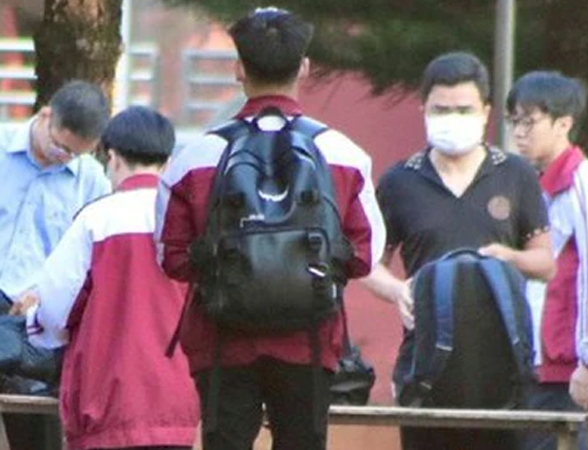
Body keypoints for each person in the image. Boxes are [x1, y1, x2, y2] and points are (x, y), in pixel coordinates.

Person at [154, 7, 385, 450]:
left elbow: (172, 258)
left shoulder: (194, 158)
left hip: (222, 340)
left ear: (239, 68)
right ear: (304, 67)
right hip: (310, 338)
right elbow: (365, 256)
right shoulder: (345, 155)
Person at [361, 52, 555, 450]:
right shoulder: (400, 181)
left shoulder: (515, 174)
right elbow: (367, 262)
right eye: (441, 110)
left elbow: (546, 262)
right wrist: (399, 291)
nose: (452, 118)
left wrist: (509, 258)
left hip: (503, 357)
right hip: (427, 360)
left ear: (485, 112)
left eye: (464, 109)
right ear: (424, 110)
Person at [11, 106, 200, 450]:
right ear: (168, 162)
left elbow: (55, 310)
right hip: (179, 401)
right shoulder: (193, 222)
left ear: (111, 158)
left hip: (108, 400)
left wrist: (35, 323)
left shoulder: (96, 220)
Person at [0, 79, 111, 450]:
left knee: (37, 429)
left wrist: (44, 293)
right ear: (46, 116)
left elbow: (90, 260)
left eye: (74, 154)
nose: (64, 157)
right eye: (60, 146)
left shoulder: (91, 181)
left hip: (35, 315)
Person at [506, 70, 588, 450]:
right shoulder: (523, 183)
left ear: (564, 123)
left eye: (529, 122)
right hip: (528, 366)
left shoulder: (586, 183)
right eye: (514, 121)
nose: (519, 132)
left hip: (569, 370)